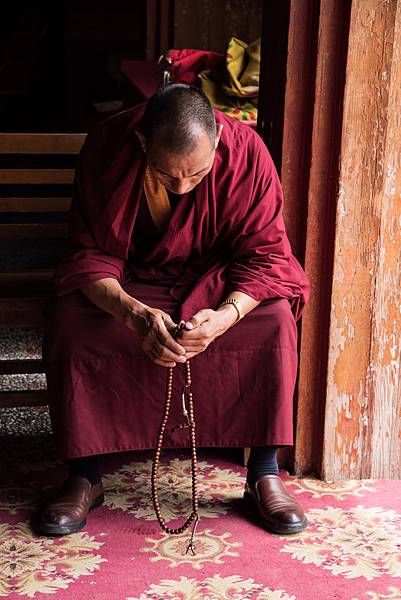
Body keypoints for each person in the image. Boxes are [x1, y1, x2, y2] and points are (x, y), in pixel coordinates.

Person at [40, 84, 310, 537]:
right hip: (132, 278)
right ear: (144, 143)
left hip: (215, 280)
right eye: (167, 176)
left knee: (274, 320)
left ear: (218, 143)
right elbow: (87, 253)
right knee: (72, 321)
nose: (183, 186)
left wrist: (225, 315)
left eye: (197, 174)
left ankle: (264, 471)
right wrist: (133, 314)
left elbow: (267, 255)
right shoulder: (107, 144)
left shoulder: (247, 151)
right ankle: (84, 473)